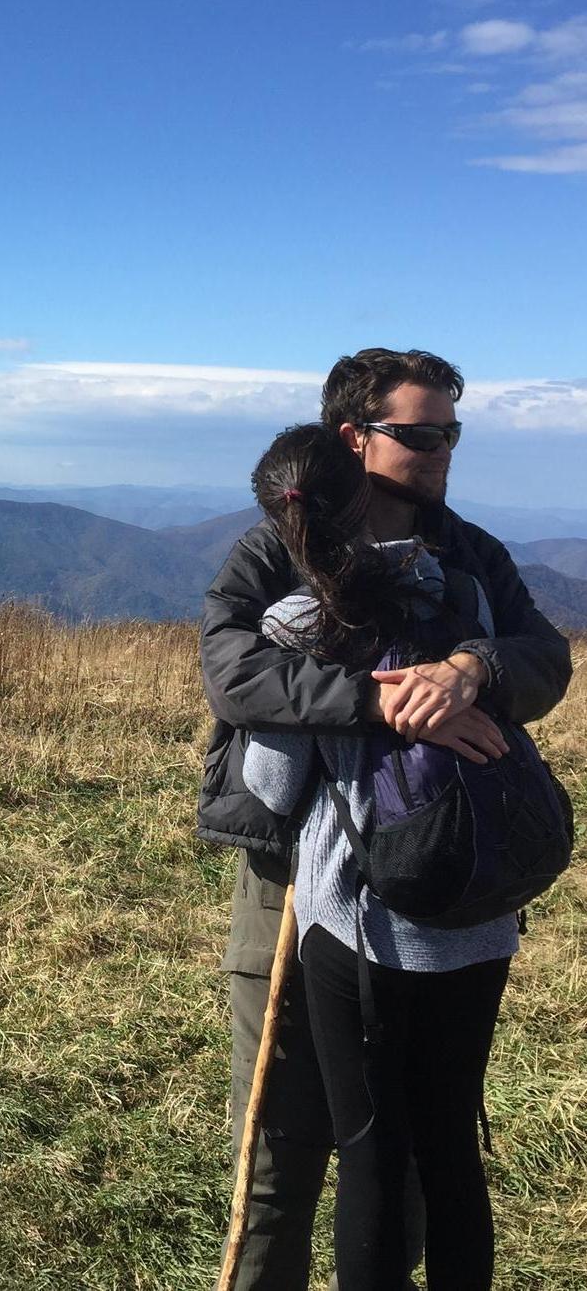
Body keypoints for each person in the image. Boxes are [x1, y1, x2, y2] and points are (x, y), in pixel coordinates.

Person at [199, 348, 572, 1289]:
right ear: (351, 436)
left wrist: (470, 671)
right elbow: (232, 674)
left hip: (437, 877)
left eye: (450, 430)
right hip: (296, 877)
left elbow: (544, 660)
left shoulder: (469, 551)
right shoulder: (273, 548)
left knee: (404, 1146)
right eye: (418, 433)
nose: (441, 448)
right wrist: (381, 699)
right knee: (280, 1140)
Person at [244, 421, 522, 1289]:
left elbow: (273, 785)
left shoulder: (299, 622)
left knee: (371, 1148)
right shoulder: (463, 596)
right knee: (448, 1143)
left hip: (363, 923)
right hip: (479, 913)